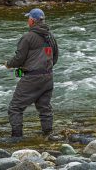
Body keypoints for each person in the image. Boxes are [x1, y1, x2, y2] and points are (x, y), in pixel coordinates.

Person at [5, 8, 59, 139]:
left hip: (32, 78)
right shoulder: (50, 36)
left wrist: (8, 64)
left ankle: (17, 138)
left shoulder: (27, 37)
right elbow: (55, 56)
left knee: (15, 108)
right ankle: (48, 134)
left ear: (32, 21)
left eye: (28, 18)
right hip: (48, 77)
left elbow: (19, 59)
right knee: (44, 107)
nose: (27, 20)